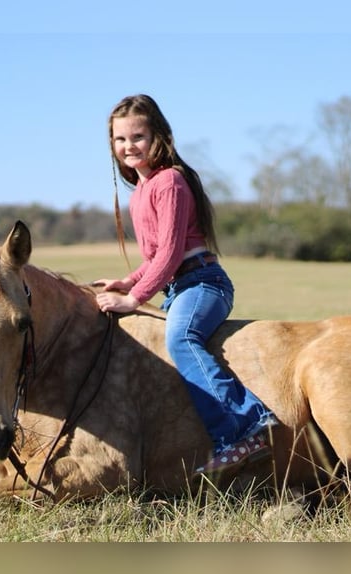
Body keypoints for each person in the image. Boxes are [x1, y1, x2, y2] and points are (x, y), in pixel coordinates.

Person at [93, 94, 277, 476]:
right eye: (120, 139)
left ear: (159, 136)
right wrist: (126, 280)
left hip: (203, 284)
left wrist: (134, 297)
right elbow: (155, 257)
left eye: (138, 136)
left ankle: (246, 426)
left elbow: (173, 253)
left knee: (181, 339)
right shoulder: (141, 191)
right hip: (177, 288)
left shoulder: (170, 182)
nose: (129, 146)